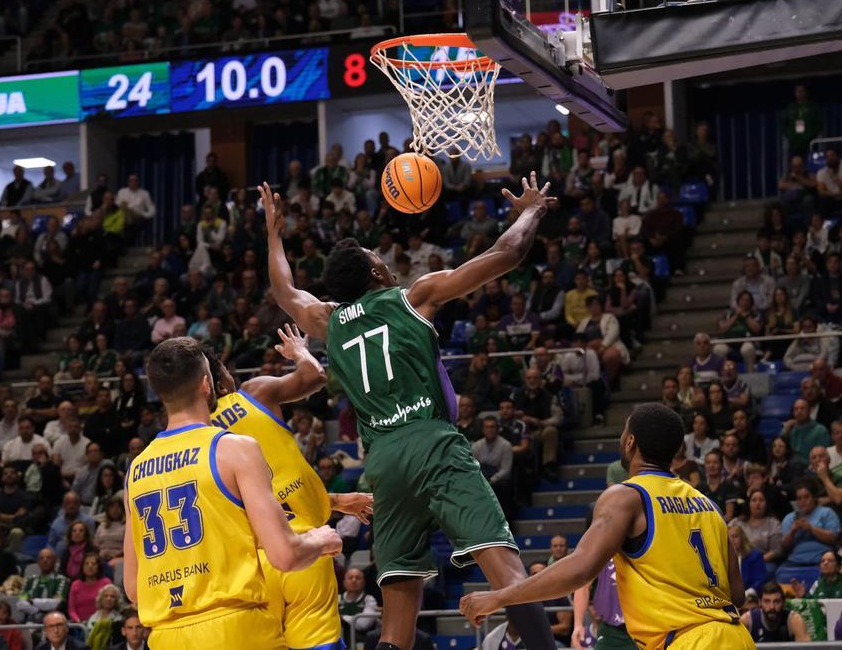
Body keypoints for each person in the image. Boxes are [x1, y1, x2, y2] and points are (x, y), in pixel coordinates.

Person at [261, 176, 559, 650]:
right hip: (430, 442)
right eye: (380, 258)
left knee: (398, 608)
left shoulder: (327, 321)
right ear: (376, 274)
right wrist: (533, 210)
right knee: (508, 570)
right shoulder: (413, 296)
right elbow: (507, 254)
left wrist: (274, 235)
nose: (386, 261)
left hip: (381, 464)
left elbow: (284, 292)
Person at [459, 404, 754, 649]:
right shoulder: (709, 506)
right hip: (735, 637)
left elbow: (580, 569)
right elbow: (736, 594)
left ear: (630, 442)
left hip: (688, 641)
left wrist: (498, 597)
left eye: (624, 431)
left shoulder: (627, 496)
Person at [123, 337, 342, 649]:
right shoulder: (233, 448)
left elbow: (133, 589)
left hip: (166, 636)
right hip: (236, 628)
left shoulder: (136, 470)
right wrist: (321, 539)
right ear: (205, 385)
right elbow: (285, 554)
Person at [206, 324, 372, 650]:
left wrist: (335, 500)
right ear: (218, 381)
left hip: (248, 570)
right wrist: (298, 351)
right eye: (227, 370)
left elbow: (253, 497)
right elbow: (314, 377)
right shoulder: (252, 393)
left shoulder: (193, 441)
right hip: (303, 548)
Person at [743, 581, 810, 642]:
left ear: (783, 602)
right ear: (760, 602)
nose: (772, 607)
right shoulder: (747, 621)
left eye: (776, 601)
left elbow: (806, 648)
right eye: (767, 601)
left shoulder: (795, 621)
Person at [338, 567, 380, 642]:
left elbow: (364, 624)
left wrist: (343, 618)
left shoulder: (369, 600)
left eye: (358, 578)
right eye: (350, 578)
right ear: (344, 582)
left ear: (364, 582)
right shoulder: (336, 599)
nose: (354, 580)